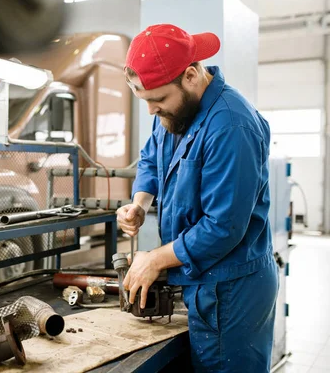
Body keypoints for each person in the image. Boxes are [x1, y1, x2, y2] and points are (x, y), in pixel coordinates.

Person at [117, 24, 278, 372]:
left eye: (157, 100)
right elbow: (151, 157)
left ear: (190, 75)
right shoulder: (177, 111)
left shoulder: (232, 126)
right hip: (202, 282)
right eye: (144, 101)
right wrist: (140, 204)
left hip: (232, 292)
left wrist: (155, 259)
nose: (151, 112)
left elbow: (223, 226)